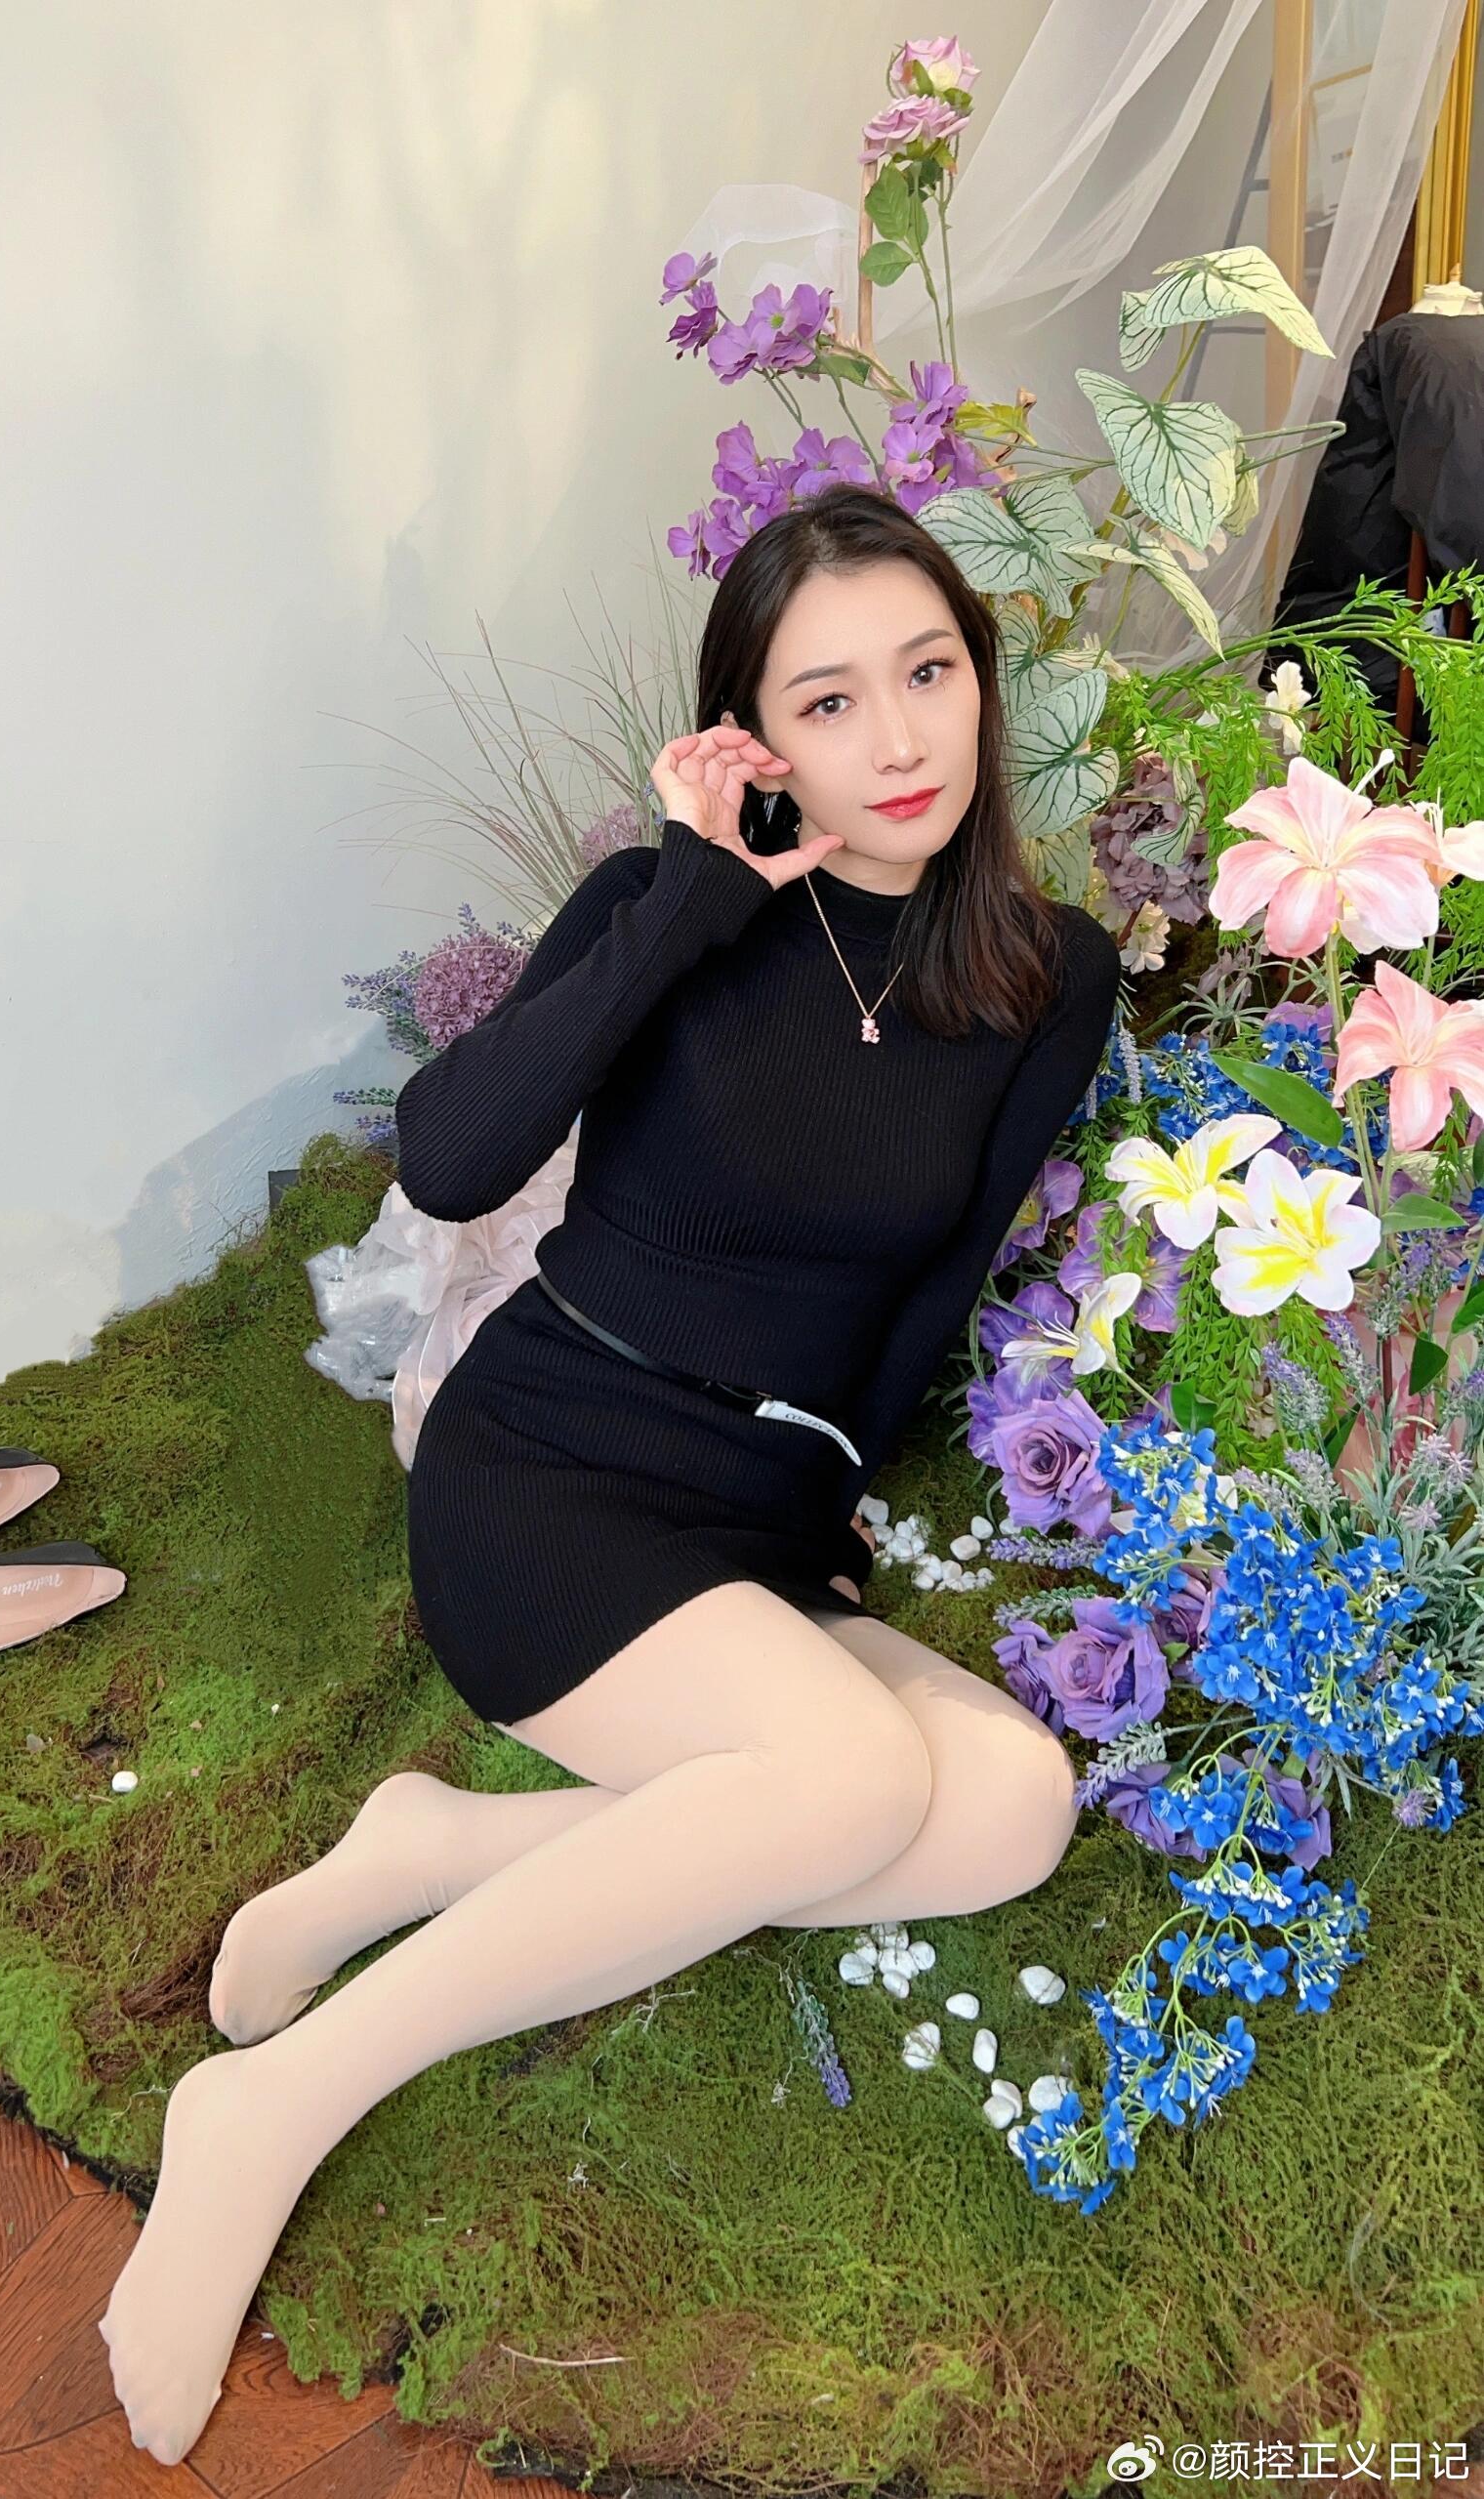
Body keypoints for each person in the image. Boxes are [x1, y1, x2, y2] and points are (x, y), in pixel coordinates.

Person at [98, 481, 1122, 2464]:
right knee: (851, 1780)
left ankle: (432, 1853)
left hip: (748, 1517)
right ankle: (274, 2103)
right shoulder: (674, 909)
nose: (898, 739)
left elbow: (930, 1286)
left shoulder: (1045, 971)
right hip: (548, 1470)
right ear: (754, 736)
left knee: (1009, 1803)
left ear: (980, 681)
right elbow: (449, 1158)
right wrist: (688, 898)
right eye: (827, 700)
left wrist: (818, 1537)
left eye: (927, 672)